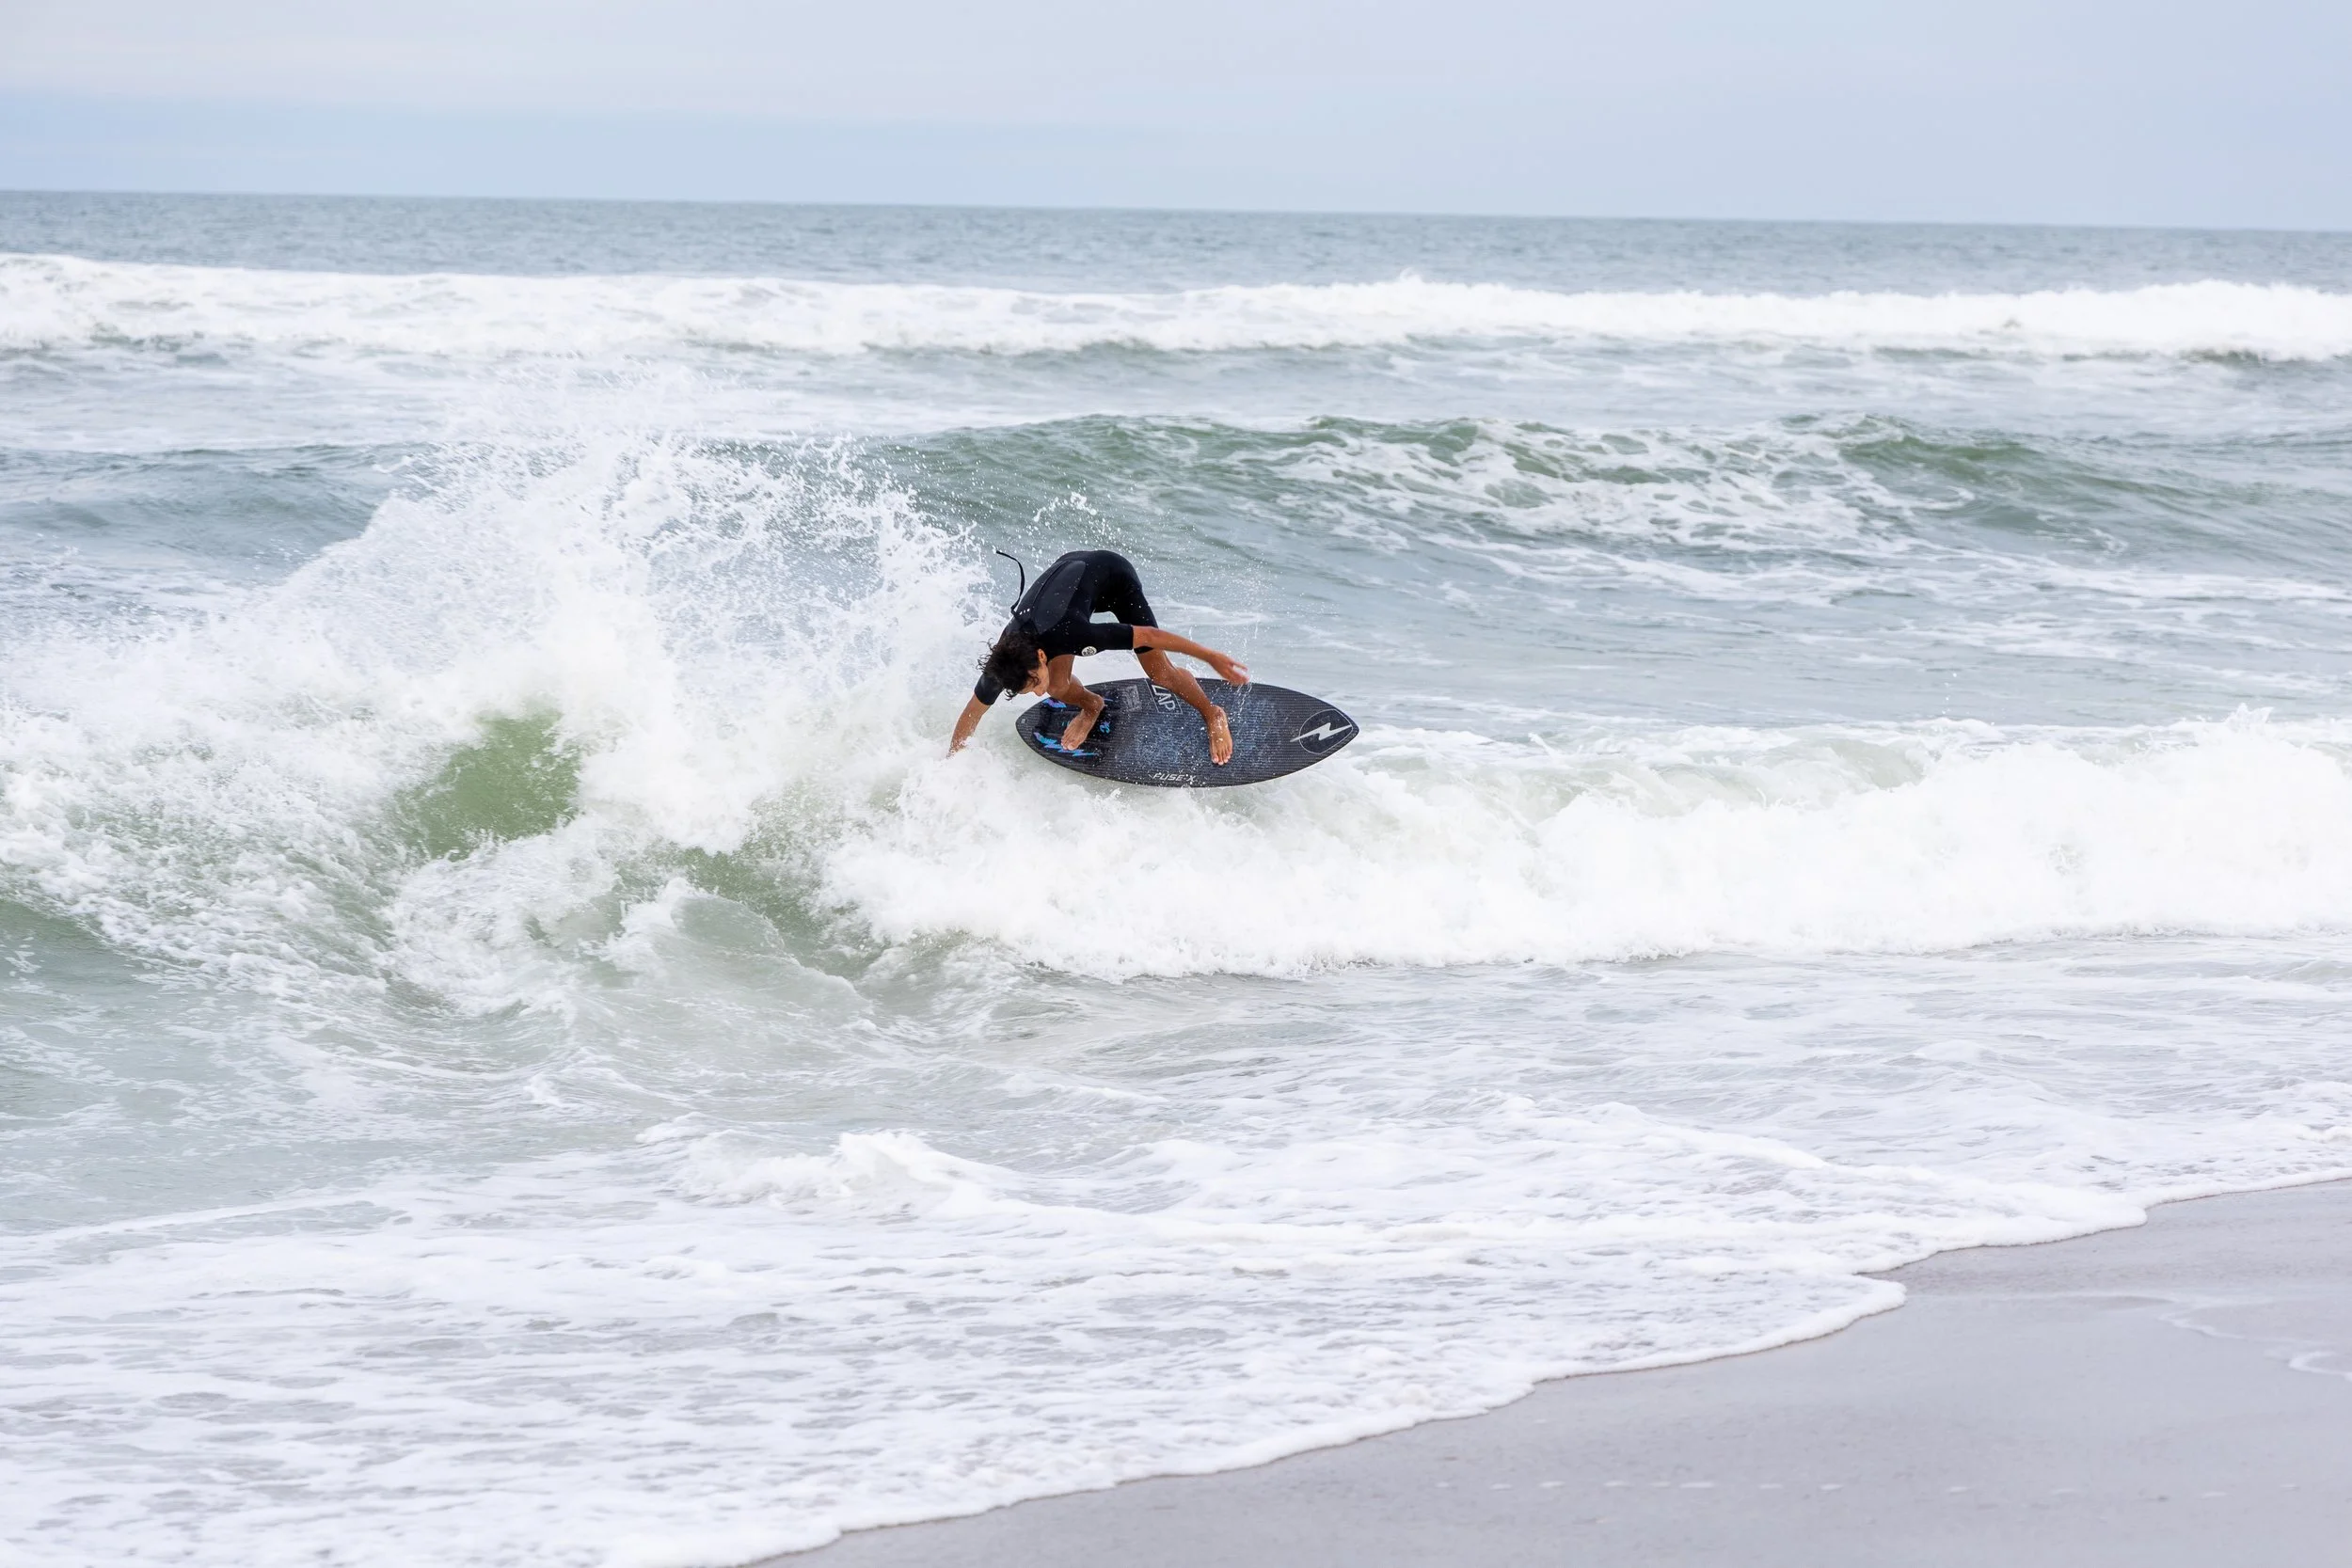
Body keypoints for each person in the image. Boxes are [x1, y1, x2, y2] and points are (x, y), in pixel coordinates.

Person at [948, 549, 1250, 763]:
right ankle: (1092, 705)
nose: (1039, 692)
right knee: (1058, 685)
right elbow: (972, 713)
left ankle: (1213, 714)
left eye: (1035, 682)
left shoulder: (1073, 634)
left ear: (1041, 656)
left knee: (1160, 672)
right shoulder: (1005, 661)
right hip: (1070, 583)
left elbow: (1150, 636)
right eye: (1031, 689)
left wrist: (1210, 656)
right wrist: (953, 764)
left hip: (1113, 578)